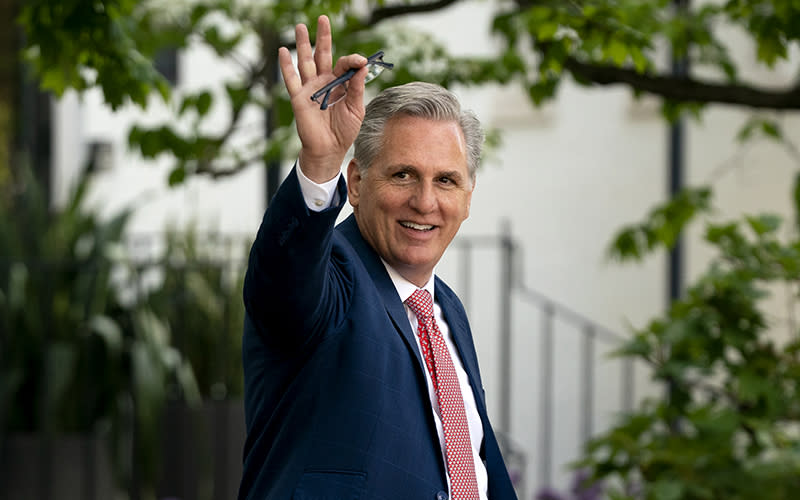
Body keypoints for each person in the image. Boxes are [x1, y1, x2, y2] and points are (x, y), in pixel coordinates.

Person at [238, 15, 517, 500]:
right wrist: (320, 165)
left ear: (469, 197)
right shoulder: (331, 280)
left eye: (446, 180)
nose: (425, 202)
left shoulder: (445, 311)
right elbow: (283, 280)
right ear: (359, 184)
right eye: (404, 175)